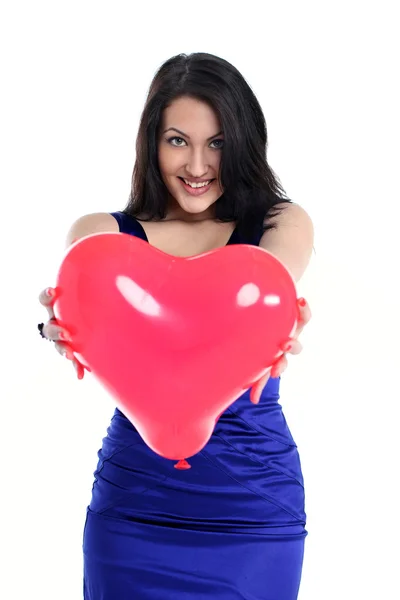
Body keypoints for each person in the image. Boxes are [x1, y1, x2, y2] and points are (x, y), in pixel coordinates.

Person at [38, 52, 314, 599]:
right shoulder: (103, 236)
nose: (197, 165)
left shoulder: (277, 224)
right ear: (151, 143)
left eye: (216, 142)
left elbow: (274, 282)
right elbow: (84, 304)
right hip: (136, 503)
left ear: (243, 141)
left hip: (251, 503)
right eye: (177, 140)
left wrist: (279, 318)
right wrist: (55, 325)